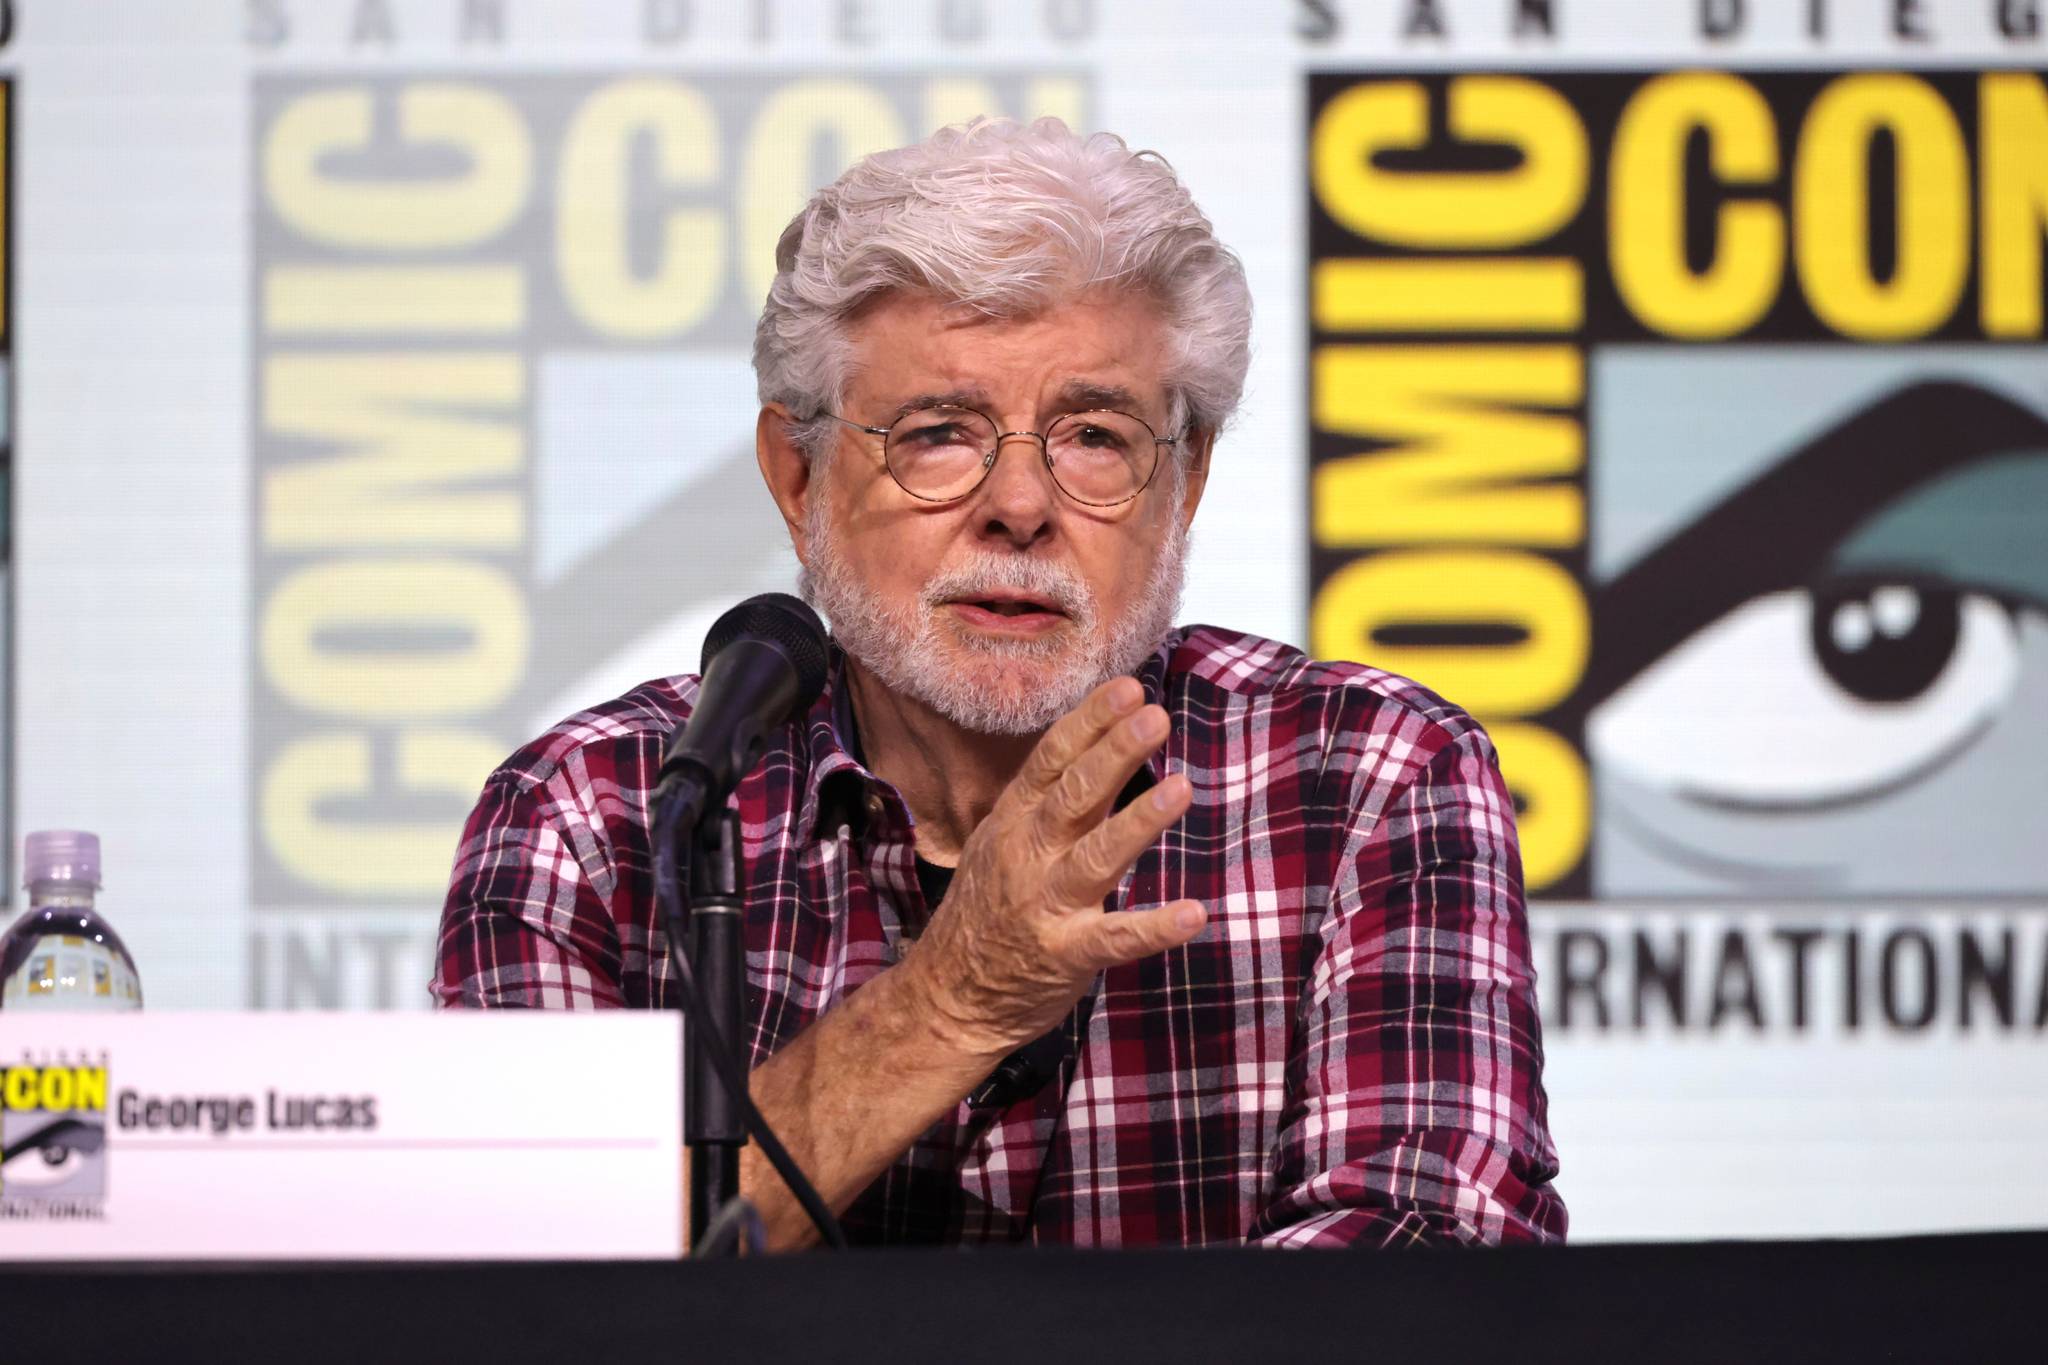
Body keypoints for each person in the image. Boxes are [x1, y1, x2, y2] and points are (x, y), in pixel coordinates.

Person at [435, 117, 1566, 1250]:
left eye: (1093, 437)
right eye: (938, 433)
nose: (1020, 506)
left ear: (1186, 480)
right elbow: (523, 1293)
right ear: (797, 475)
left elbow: (1429, 1286)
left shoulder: (1369, 776)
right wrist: (952, 1000)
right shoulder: (595, 815)